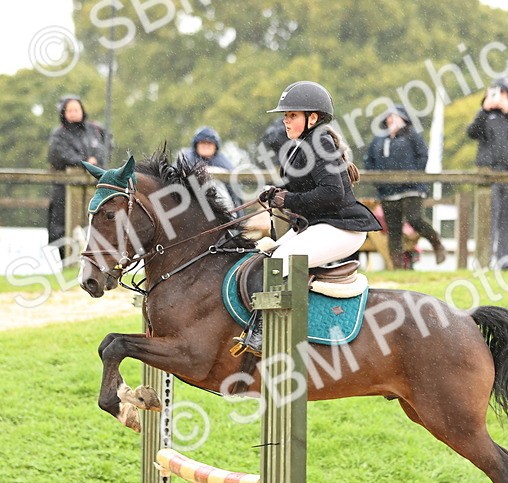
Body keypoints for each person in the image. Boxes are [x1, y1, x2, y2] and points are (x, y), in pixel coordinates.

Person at [232, 81, 381, 356]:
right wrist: (278, 193)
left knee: (279, 262)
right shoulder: (301, 145)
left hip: (342, 228)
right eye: (285, 116)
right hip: (322, 225)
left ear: (312, 118)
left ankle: (266, 333)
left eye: (292, 115)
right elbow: (307, 190)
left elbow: (332, 193)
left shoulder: (320, 141)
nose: (286, 121)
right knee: (264, 254)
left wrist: (287, 200)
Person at [363, 105, 448, 269]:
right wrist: (379, 182)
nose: (391, 120)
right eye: (389, 117)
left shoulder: (412, 136)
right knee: (393, 229)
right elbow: (369, 161)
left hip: (411, 188)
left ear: (404, 119)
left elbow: (423, 156)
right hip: (388, 191)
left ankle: (436, 243)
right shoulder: (379, 140)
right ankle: (397, 267)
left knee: (414, 219)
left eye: (395, 117)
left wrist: (413, 176)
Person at [465, 77, 508, 269]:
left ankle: (505, 263)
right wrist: (484, 110)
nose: (498, 97)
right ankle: (483, 262)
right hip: (489, 175)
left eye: (502, 93)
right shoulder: (485, 116)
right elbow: (471, 132)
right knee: (488, 219)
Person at [46, 95, 110, 261]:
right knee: (61, 226)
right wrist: (83, 162)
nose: (74, 113)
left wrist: (95, 159)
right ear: (64, 112)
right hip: (65, 189)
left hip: (93, 186)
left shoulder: (95, 130)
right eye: (70, 110)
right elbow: (58, 154)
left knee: (95, 223)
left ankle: (93, 261)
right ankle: (67, 261)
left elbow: (105, 147)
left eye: (77, 109)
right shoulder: (59, 134)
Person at [178, 126, 242, 210]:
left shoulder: (223, 162)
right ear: (196, 145)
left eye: (209, 143)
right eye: (203, 143)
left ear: (215, 146)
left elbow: (235, 188)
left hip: (223, 204)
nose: (206, 146)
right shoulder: (186, 159)